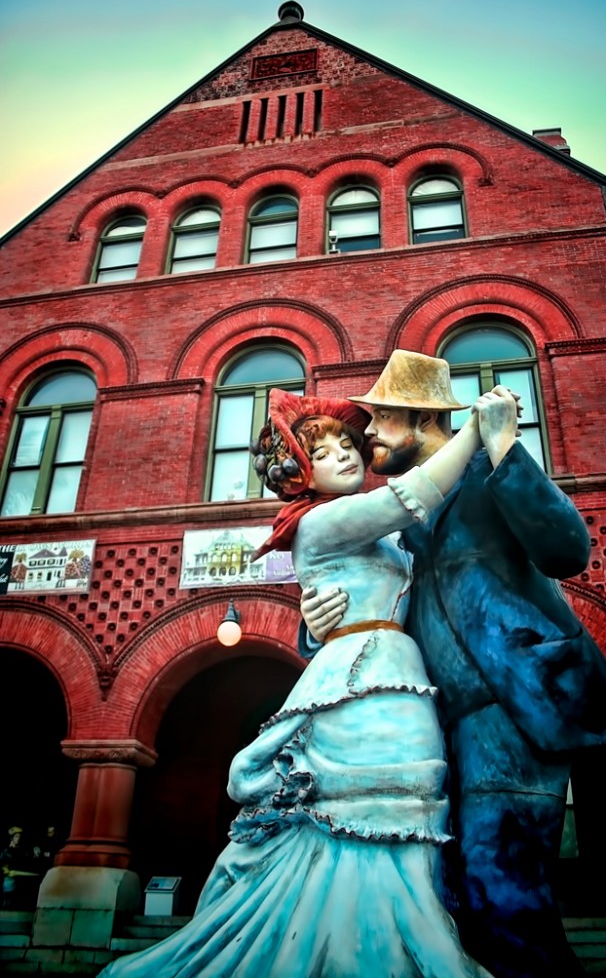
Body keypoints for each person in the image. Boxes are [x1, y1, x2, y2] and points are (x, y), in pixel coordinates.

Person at [98, 388, 495, 978]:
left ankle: (380, 941)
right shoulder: (322, 522)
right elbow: (410, 497)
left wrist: (316, 627)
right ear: (298, 476)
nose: (343, 454)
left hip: (392, 671)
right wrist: (478, 430)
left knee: (405, 806)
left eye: (347, 443)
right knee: (373, 805)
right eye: (323, 451)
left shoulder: (368, 536)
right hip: (362, 682)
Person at [301, 349, 606, 978]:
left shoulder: (491, 470)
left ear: (423, 417)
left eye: (381, 418)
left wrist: (509, 450)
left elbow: (568, 549)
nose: (367, 433)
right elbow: (376, 614)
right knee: (453, 894)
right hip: (443, 728)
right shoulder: (406, 527)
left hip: (514, 708)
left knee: (499, 885)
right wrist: (316, 628)